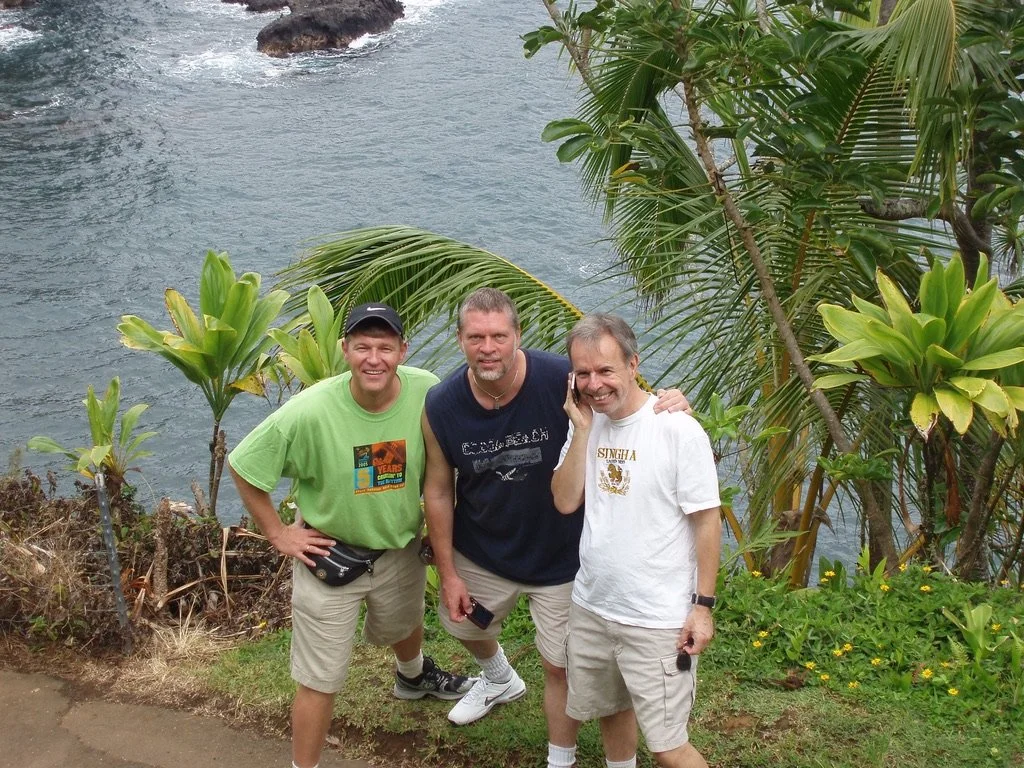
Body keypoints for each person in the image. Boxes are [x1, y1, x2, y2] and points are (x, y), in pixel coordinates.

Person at [422, 288, 689, 768]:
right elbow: (438, 491)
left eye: (499, 336)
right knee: (460, 621)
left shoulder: (557, 380)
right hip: (484, 552)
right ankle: (499, 676)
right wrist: (449, 573)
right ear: (460, 339)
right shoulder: (442, 403)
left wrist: (671, 401)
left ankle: (558, 760)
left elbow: (619, 390)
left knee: (559, 666)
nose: (488, 348)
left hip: (564, 559)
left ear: (517, 336)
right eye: (476, 337)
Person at [228, 302, 472, 768]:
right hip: (330, 557)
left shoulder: (428, 391)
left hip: (399, 548)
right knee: (320, 680)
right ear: (345, 351)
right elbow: (244, 464)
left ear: (404, 349)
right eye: (362, 347)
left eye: (385, 347)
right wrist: (278, 533)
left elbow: (476, 413)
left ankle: (412, 677)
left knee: (403, 624)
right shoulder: (310, 410)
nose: (373, 358)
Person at [551, 313, 722, 768]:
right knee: (611, 710)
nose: (595, 384)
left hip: (656, 618)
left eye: (606, 370)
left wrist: (702, 607)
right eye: (583, 373)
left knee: (668, 746)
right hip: (593, 604)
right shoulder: (587, 423)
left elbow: (707, 521)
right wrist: (583, 431)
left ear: (633, 363)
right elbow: (565, 501)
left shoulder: (677, 428)